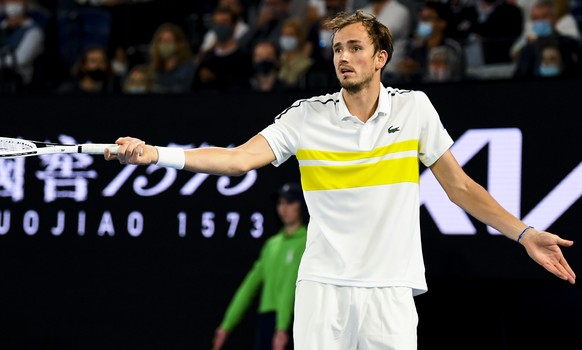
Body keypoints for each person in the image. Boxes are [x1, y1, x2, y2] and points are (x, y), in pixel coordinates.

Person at [105, 10, 576, 350]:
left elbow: (461, 188)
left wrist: (525, 233)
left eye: (355, 48)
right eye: (337, 50)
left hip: (390, 289)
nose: (343, 58)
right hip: (323, 288)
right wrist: (155, 154)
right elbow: (238, 159)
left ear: (380, 58)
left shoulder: (415, 110)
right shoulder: (307, 116)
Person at [212, 183, 308, 350]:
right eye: (280, 203)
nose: (284, 208)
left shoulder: (308, 240)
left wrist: (282, 327)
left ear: (302, 204)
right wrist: (226, 325)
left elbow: (291, 285)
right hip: (267, 322)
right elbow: (249, 286)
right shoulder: (272, 245)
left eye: (290, 202)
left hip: (294, 321)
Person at [513, 0, 582, 78]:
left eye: (544, 17)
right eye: (535, 18)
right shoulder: (527, 50)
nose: (540, 21)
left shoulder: (571, 45)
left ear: (555, 19)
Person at [0, 0, 45, 92]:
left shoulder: (34, 31)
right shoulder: (2, 28)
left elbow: (21, 60)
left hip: (19, 85)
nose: (12, 5)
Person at [148, 22, 195, 94]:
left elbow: (182, 89)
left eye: (168, 41)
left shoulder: (188, 65)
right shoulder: (154, 64)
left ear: (179, 44)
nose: (164, 44)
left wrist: (169, 72)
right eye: (161, 41)